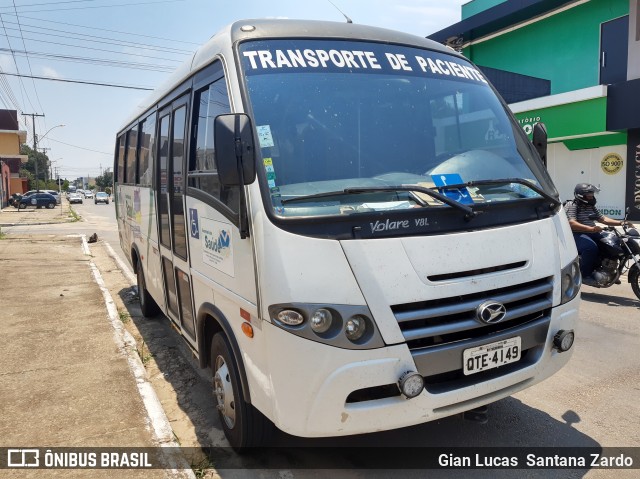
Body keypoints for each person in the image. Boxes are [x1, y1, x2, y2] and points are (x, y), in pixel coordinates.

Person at [565, 183, 629, 286]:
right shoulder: (572, 205)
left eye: (592, 194)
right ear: (581, 195)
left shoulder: (590, 206)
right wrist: (591, 228)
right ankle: (585, 275)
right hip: (576, 234)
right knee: (591, 247)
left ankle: (610, 271)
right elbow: (572, 223)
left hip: (592, 232)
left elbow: (603, 219)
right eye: (589, 194)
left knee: (613, 243)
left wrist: (620, 223)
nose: (591, 196)